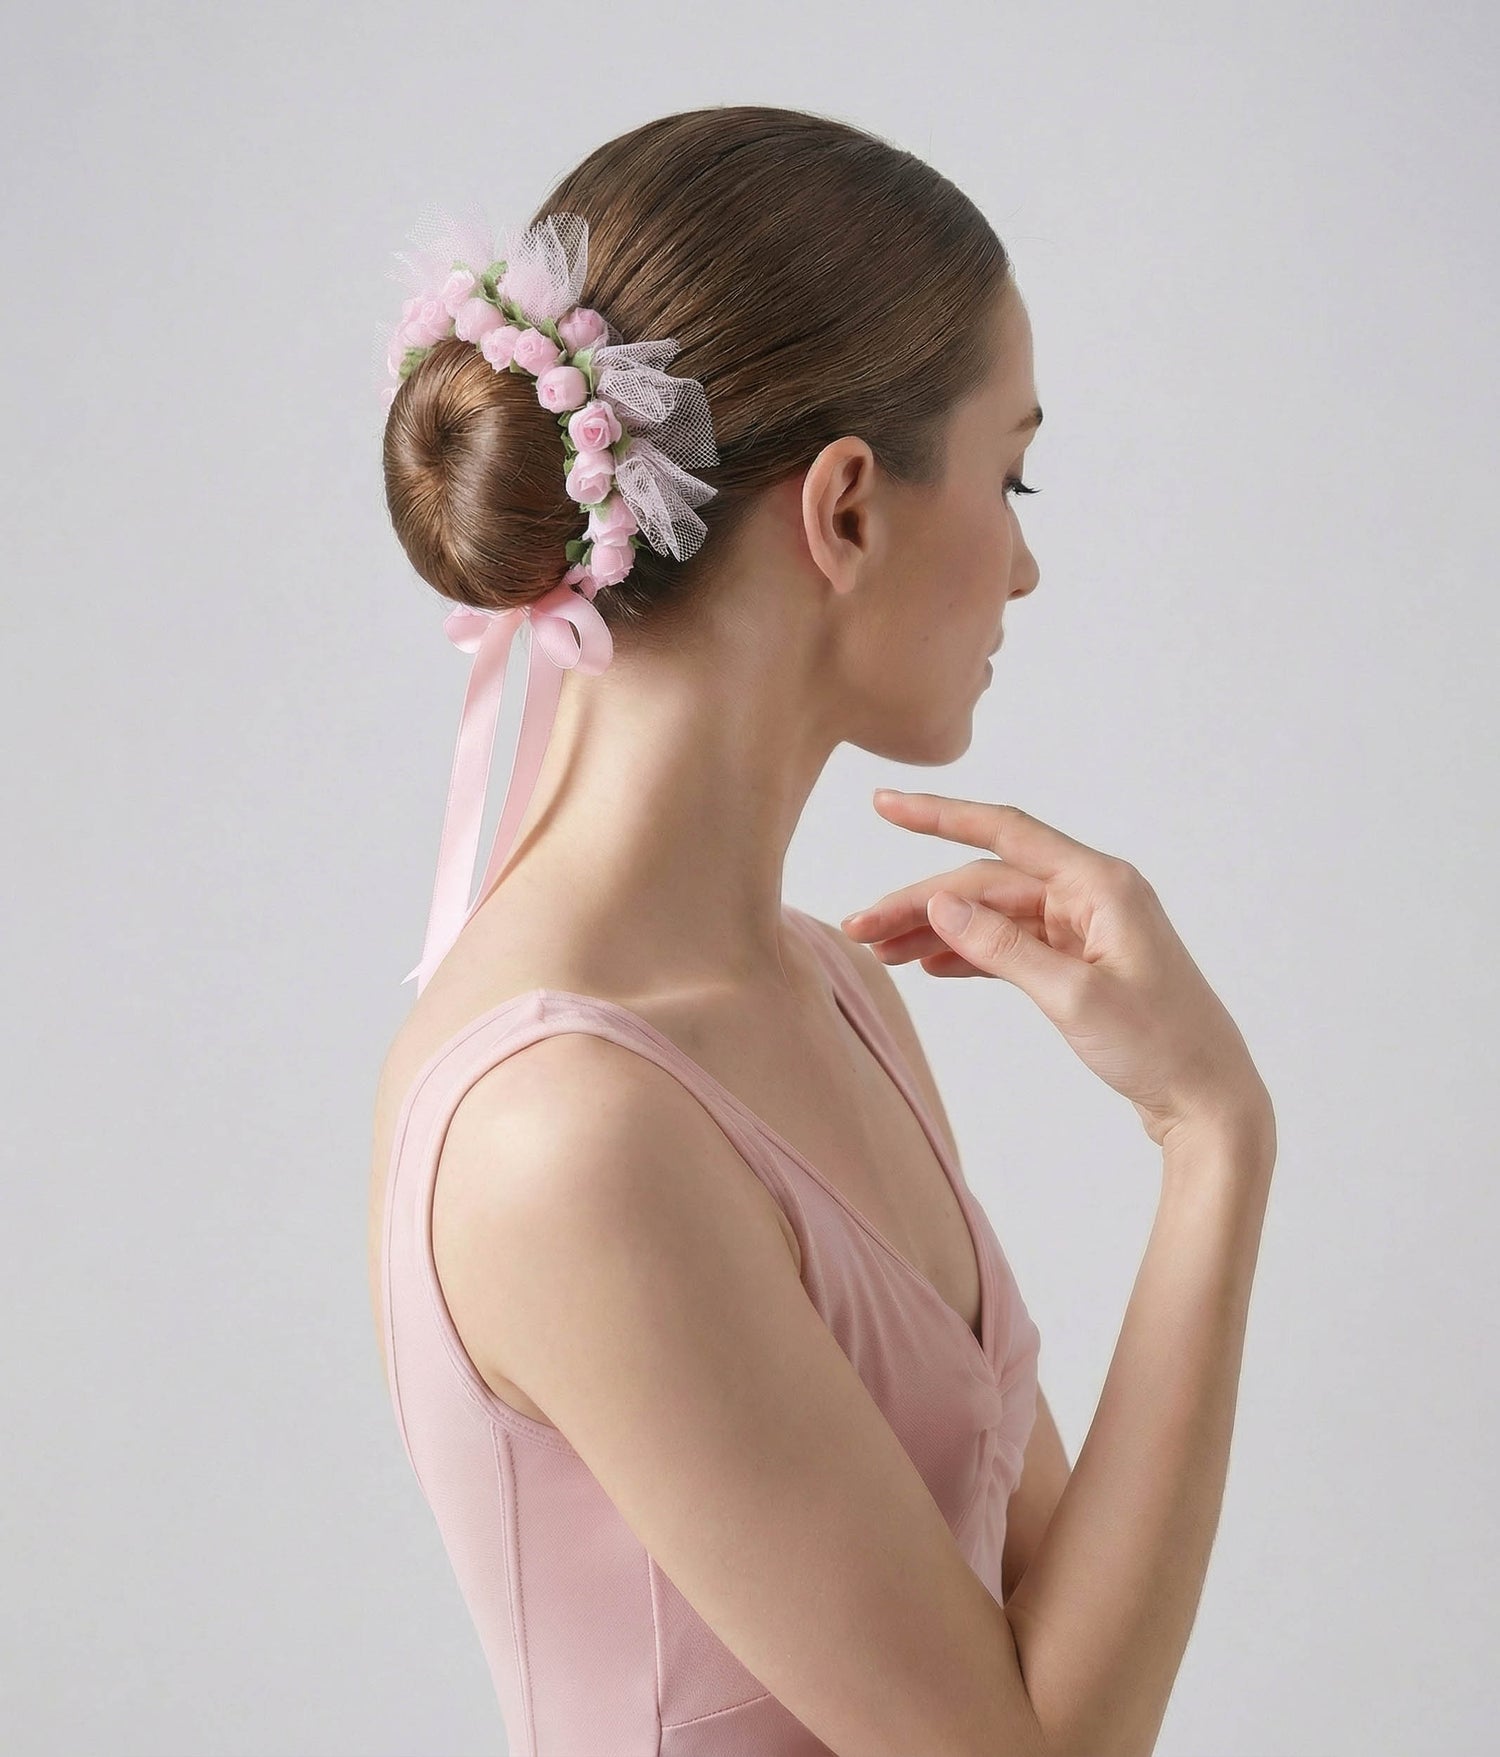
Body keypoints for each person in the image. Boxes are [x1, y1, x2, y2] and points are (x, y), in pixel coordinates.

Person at [367, 104, 1277, 1757]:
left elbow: (1054, 1641)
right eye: (1010, 475)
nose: (1026, 567)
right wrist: (1211, 1136)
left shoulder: (834, 986)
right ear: (847, 507)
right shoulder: (568, 1132)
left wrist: (1209, 1127)